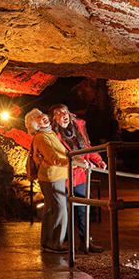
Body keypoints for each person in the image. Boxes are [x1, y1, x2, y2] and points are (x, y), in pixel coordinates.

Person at [26, 108, 88, 254]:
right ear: (35, 124)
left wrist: (75, 158)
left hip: (54, 176)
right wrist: (74, 162)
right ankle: (55, 243)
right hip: (52, 177)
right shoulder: (42, 137)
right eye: (38, 118)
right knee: (60, 211)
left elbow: (61, 152)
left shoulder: (49, 133)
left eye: (42, 115)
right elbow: (54, 159)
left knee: (50, 209)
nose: (43, 117)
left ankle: (47, 242)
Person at [51, 104, 106, 253]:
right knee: (66, 211)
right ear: (54, 118)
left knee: (84, 209)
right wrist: (77, 162)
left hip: (80, 177)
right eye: (59, 112)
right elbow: (57, 155)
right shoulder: (52, 135)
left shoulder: (77, 130)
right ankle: (67, 243)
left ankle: (86, 241)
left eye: (65, 111)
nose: (64, 114)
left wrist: (98, 160)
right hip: (64, 177)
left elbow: (87, 147)